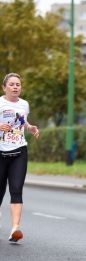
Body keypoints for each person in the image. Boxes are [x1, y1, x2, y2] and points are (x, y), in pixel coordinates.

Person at [0, 73, 39, 243]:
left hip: (19, 151)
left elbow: (23, 122)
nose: (16, 87)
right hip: (0, 152)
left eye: (18, 84)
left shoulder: (24, 104)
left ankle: (15, 228)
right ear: (4, 87)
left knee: (16, 189)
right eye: (12, 84)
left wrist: (30, 128)